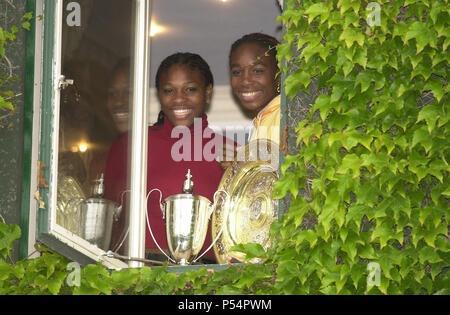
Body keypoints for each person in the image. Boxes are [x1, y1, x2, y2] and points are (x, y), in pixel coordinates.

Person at [104, 52, 232, 263]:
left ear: (207, 93)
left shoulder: (229, 152)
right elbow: (110, 218)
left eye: (190, 89)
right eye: (169, 90)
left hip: (210, 276)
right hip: (139, 273)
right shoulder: (131, 144)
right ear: (159, 95)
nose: (179, 99)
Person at [229, 33, 281, 146]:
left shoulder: (283, 118)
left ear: (280, 75)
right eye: (237, 72)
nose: (245, 81)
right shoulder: (266, 119)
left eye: (257, 71)